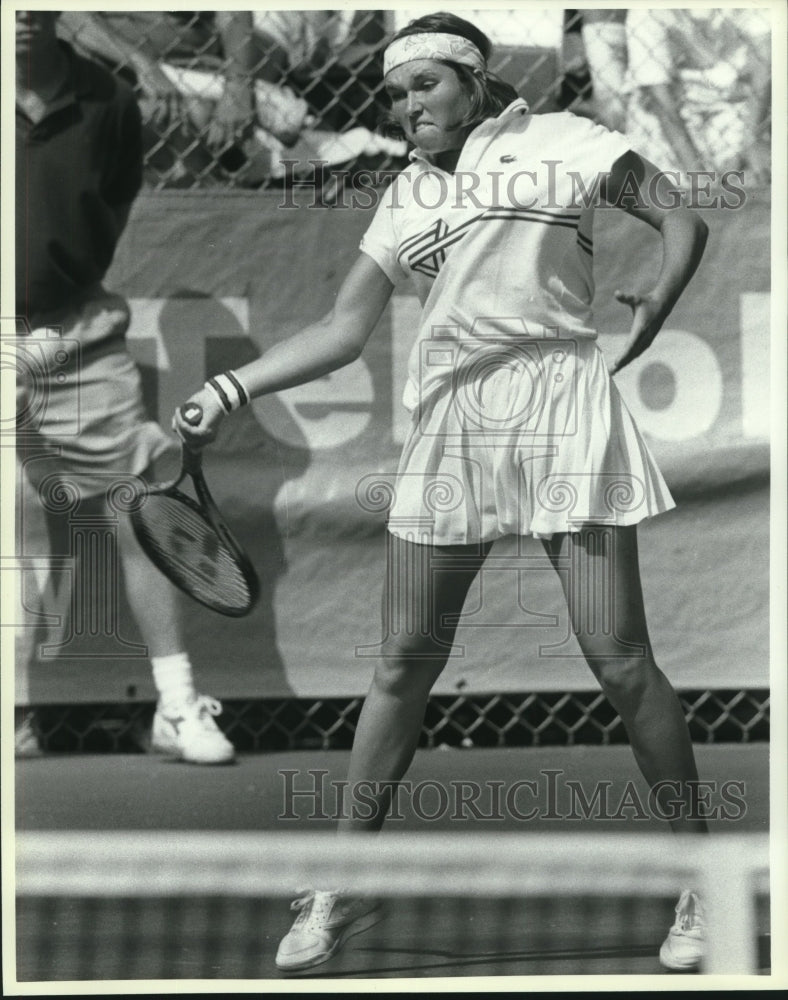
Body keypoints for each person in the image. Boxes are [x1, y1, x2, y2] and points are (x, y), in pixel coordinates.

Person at [173, 11, 710, 971]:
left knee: (622, 662)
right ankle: (339, 886)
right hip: (453, 423)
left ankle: (704, 882)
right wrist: (227, 387)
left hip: (560, 402)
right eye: (393, 93)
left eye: (423, 85)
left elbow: (681, 213)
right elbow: (342, 329)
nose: (406, 105)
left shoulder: (567, 142)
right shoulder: (405, 197)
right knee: (403, 661)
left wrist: (658, 303)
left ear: (472, 79)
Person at [14, 10, 234, 765]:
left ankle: (176, 708)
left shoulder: (108, 102)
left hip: (77, 330)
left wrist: (48, 316)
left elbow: (104, 208)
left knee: (134, 505)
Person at [625, 7, 771, 183]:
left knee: (753, 178)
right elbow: (661, 103)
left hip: (737, 106)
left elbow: (766, 59)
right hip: (671, 116)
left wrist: (750, 139)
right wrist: (698, 175)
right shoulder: (645, 12)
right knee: (671, 190)